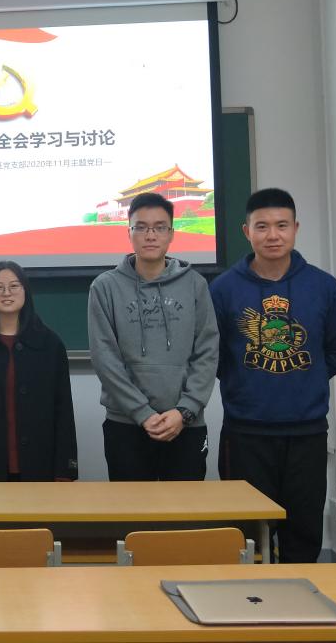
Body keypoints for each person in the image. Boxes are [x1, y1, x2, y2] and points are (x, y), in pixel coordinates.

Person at [211, 187, 336, 563]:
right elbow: (214, 356)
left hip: (306, 433)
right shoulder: (223, 289)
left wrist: (304, 378)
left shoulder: (325, 287)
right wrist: (250, 383)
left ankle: (298, 598)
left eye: (281, 225)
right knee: (245, 538)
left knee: (303, 534)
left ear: (295, 229)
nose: (272, 235)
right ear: (247, 231)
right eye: (262, 226)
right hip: (245, 433)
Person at [88, 192, 219, 482]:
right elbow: (105, 358)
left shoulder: (195, 284)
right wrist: (142, 413)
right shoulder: (104, 287)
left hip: (185, 423)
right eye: (141, 227)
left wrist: (184, 411)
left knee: (186, 509)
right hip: (126, 424)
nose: (150, 235)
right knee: (132, 509)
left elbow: (208, 352)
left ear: (171, 234)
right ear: (129, 232)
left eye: (160, 227)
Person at [0, 261, 78, 482]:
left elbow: (64, 411)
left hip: (42, 465)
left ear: (25, 291)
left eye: (14, 286)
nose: (6, 293)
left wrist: (65, 469)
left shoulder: (50, 344)